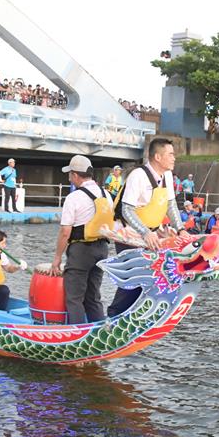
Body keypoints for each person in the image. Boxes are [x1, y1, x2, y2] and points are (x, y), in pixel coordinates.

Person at [107, 138, 187, 317]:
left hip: (150, 235)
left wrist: (181, 229)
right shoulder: (138, 176)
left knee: (149, 279)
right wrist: (145, 232)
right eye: (171, 154)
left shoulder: (166, 176)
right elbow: (127, 209)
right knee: (131, 281)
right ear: (158, 157)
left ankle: (133, 316)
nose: (174, 158)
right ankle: (113, 317)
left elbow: (171, 204)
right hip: (129, 234)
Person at [51, 155, 113, 324]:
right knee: (93, 297)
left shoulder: (74, 197)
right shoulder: (106, 194)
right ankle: (99, 333)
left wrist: (57, 259)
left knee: (74, 298)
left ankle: (77, 337)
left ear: (75, 175)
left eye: (70, 174)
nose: (70, 178)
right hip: (102, 249)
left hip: (81, 252)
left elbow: (65, 231)